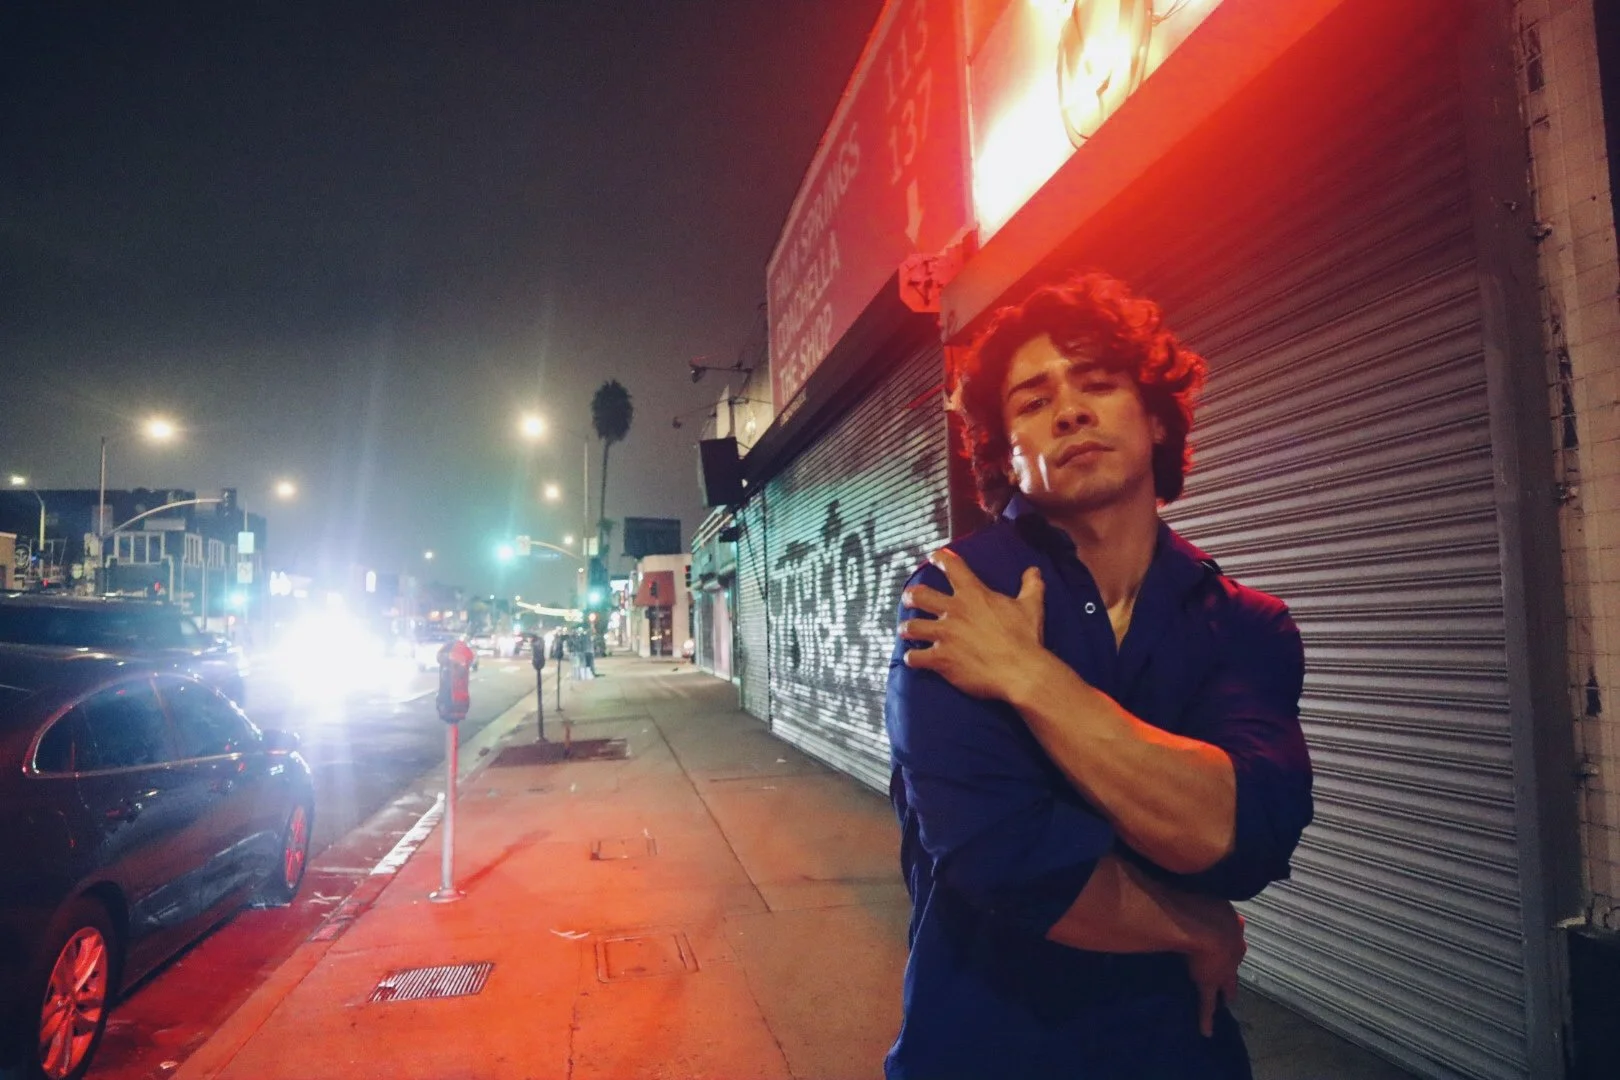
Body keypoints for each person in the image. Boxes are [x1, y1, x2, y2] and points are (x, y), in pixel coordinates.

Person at [885, 273, 1313, 1079]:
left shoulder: (1245, 623)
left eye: (1097, 383)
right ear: (1005, 455)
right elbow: (1002, 855)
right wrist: (1192, 922)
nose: (1070, 411)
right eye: (1032, 400)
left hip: (1177, 1052)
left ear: (1156, 417)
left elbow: (1241, 836)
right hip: (983, 1048)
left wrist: (1026, 676)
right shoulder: (958, 596)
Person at [529, 631, 548, 740]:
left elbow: (536, 649)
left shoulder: (536, 644)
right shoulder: (539, 642)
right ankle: (541, 734)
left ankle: (541, 734)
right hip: (539, 661)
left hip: (538, 660)